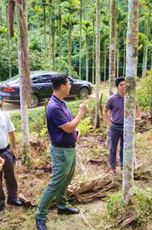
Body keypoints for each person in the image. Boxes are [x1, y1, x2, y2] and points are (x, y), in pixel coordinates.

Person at [35, 74, 88, 230]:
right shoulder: (54, 106)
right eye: (68, 83)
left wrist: (75, 132)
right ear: (62, 86)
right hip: (61, 151)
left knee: (66, 180)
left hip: (69, 149)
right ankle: (40, 215)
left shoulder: (61, 102)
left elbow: (69, 126)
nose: (70, 85)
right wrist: (81, 112)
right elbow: (68, 127)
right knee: (56, 183)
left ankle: (62, 206)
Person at [103, 77, 141, 173]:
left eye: (125, 84)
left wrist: (139, 117)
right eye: (121, 85)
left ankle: (123, 166)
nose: (124, 87)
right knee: (113, 147)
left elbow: (137, 107)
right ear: (117, 87)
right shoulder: (112, 99)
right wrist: (109, 123)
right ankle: (112, 167)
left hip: (127, 127)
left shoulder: (130, 98)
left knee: (124, 148)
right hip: (115, 126)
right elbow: (105, 110)